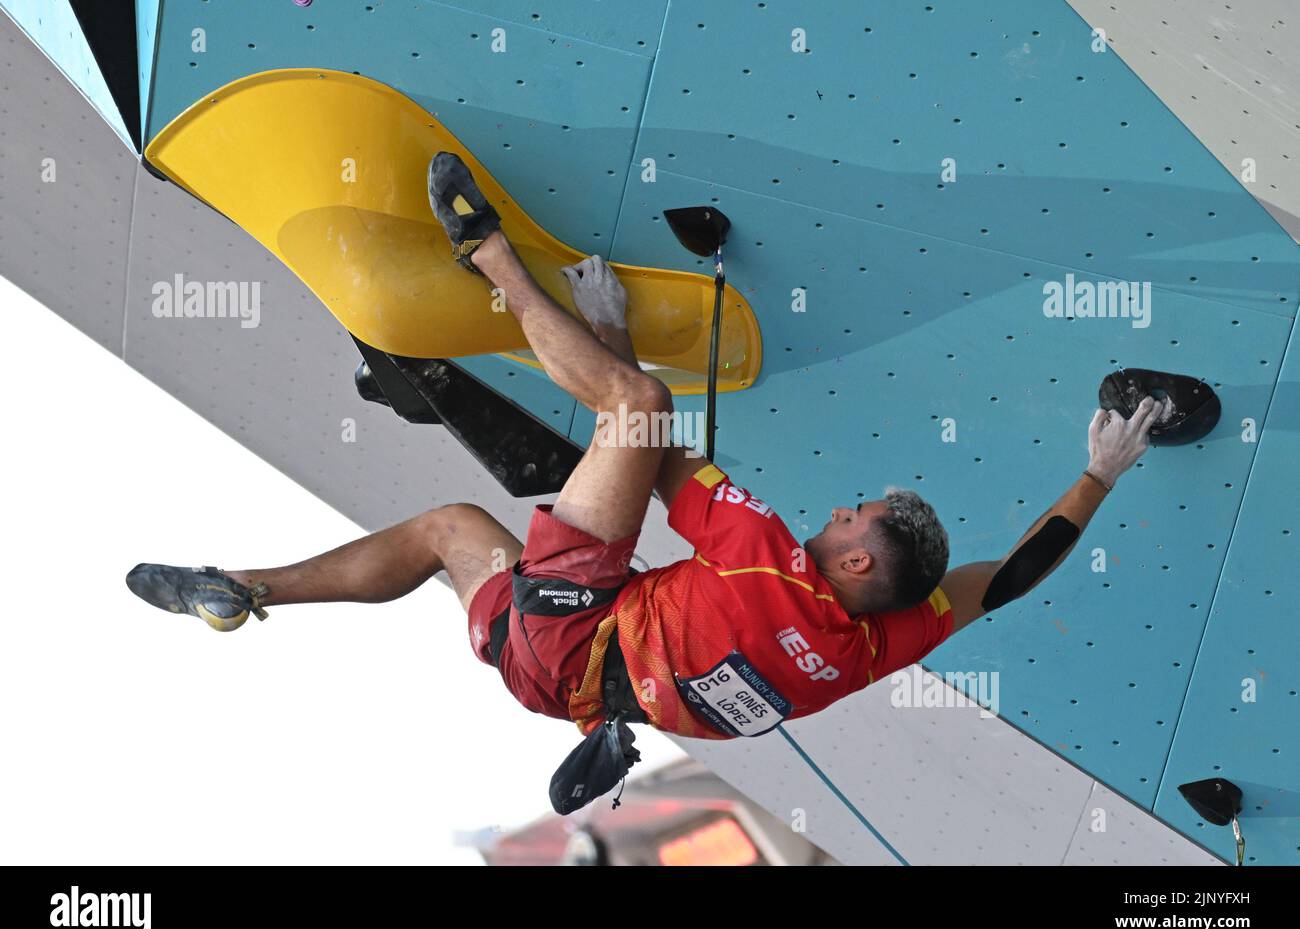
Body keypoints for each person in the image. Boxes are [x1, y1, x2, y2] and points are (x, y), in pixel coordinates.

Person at [127, 153, 1165, 748]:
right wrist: (1098, 481)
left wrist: (608, 327)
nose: (838, 509)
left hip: (579, 633)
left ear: (854, 560)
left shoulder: (773, 558)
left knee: (637, 398)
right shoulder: (867, 644)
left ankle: (485, 251)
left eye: (852, 512)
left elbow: (653, 448)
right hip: (544, 682)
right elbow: (1012, 578)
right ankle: (243, 585)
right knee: (451, 531)